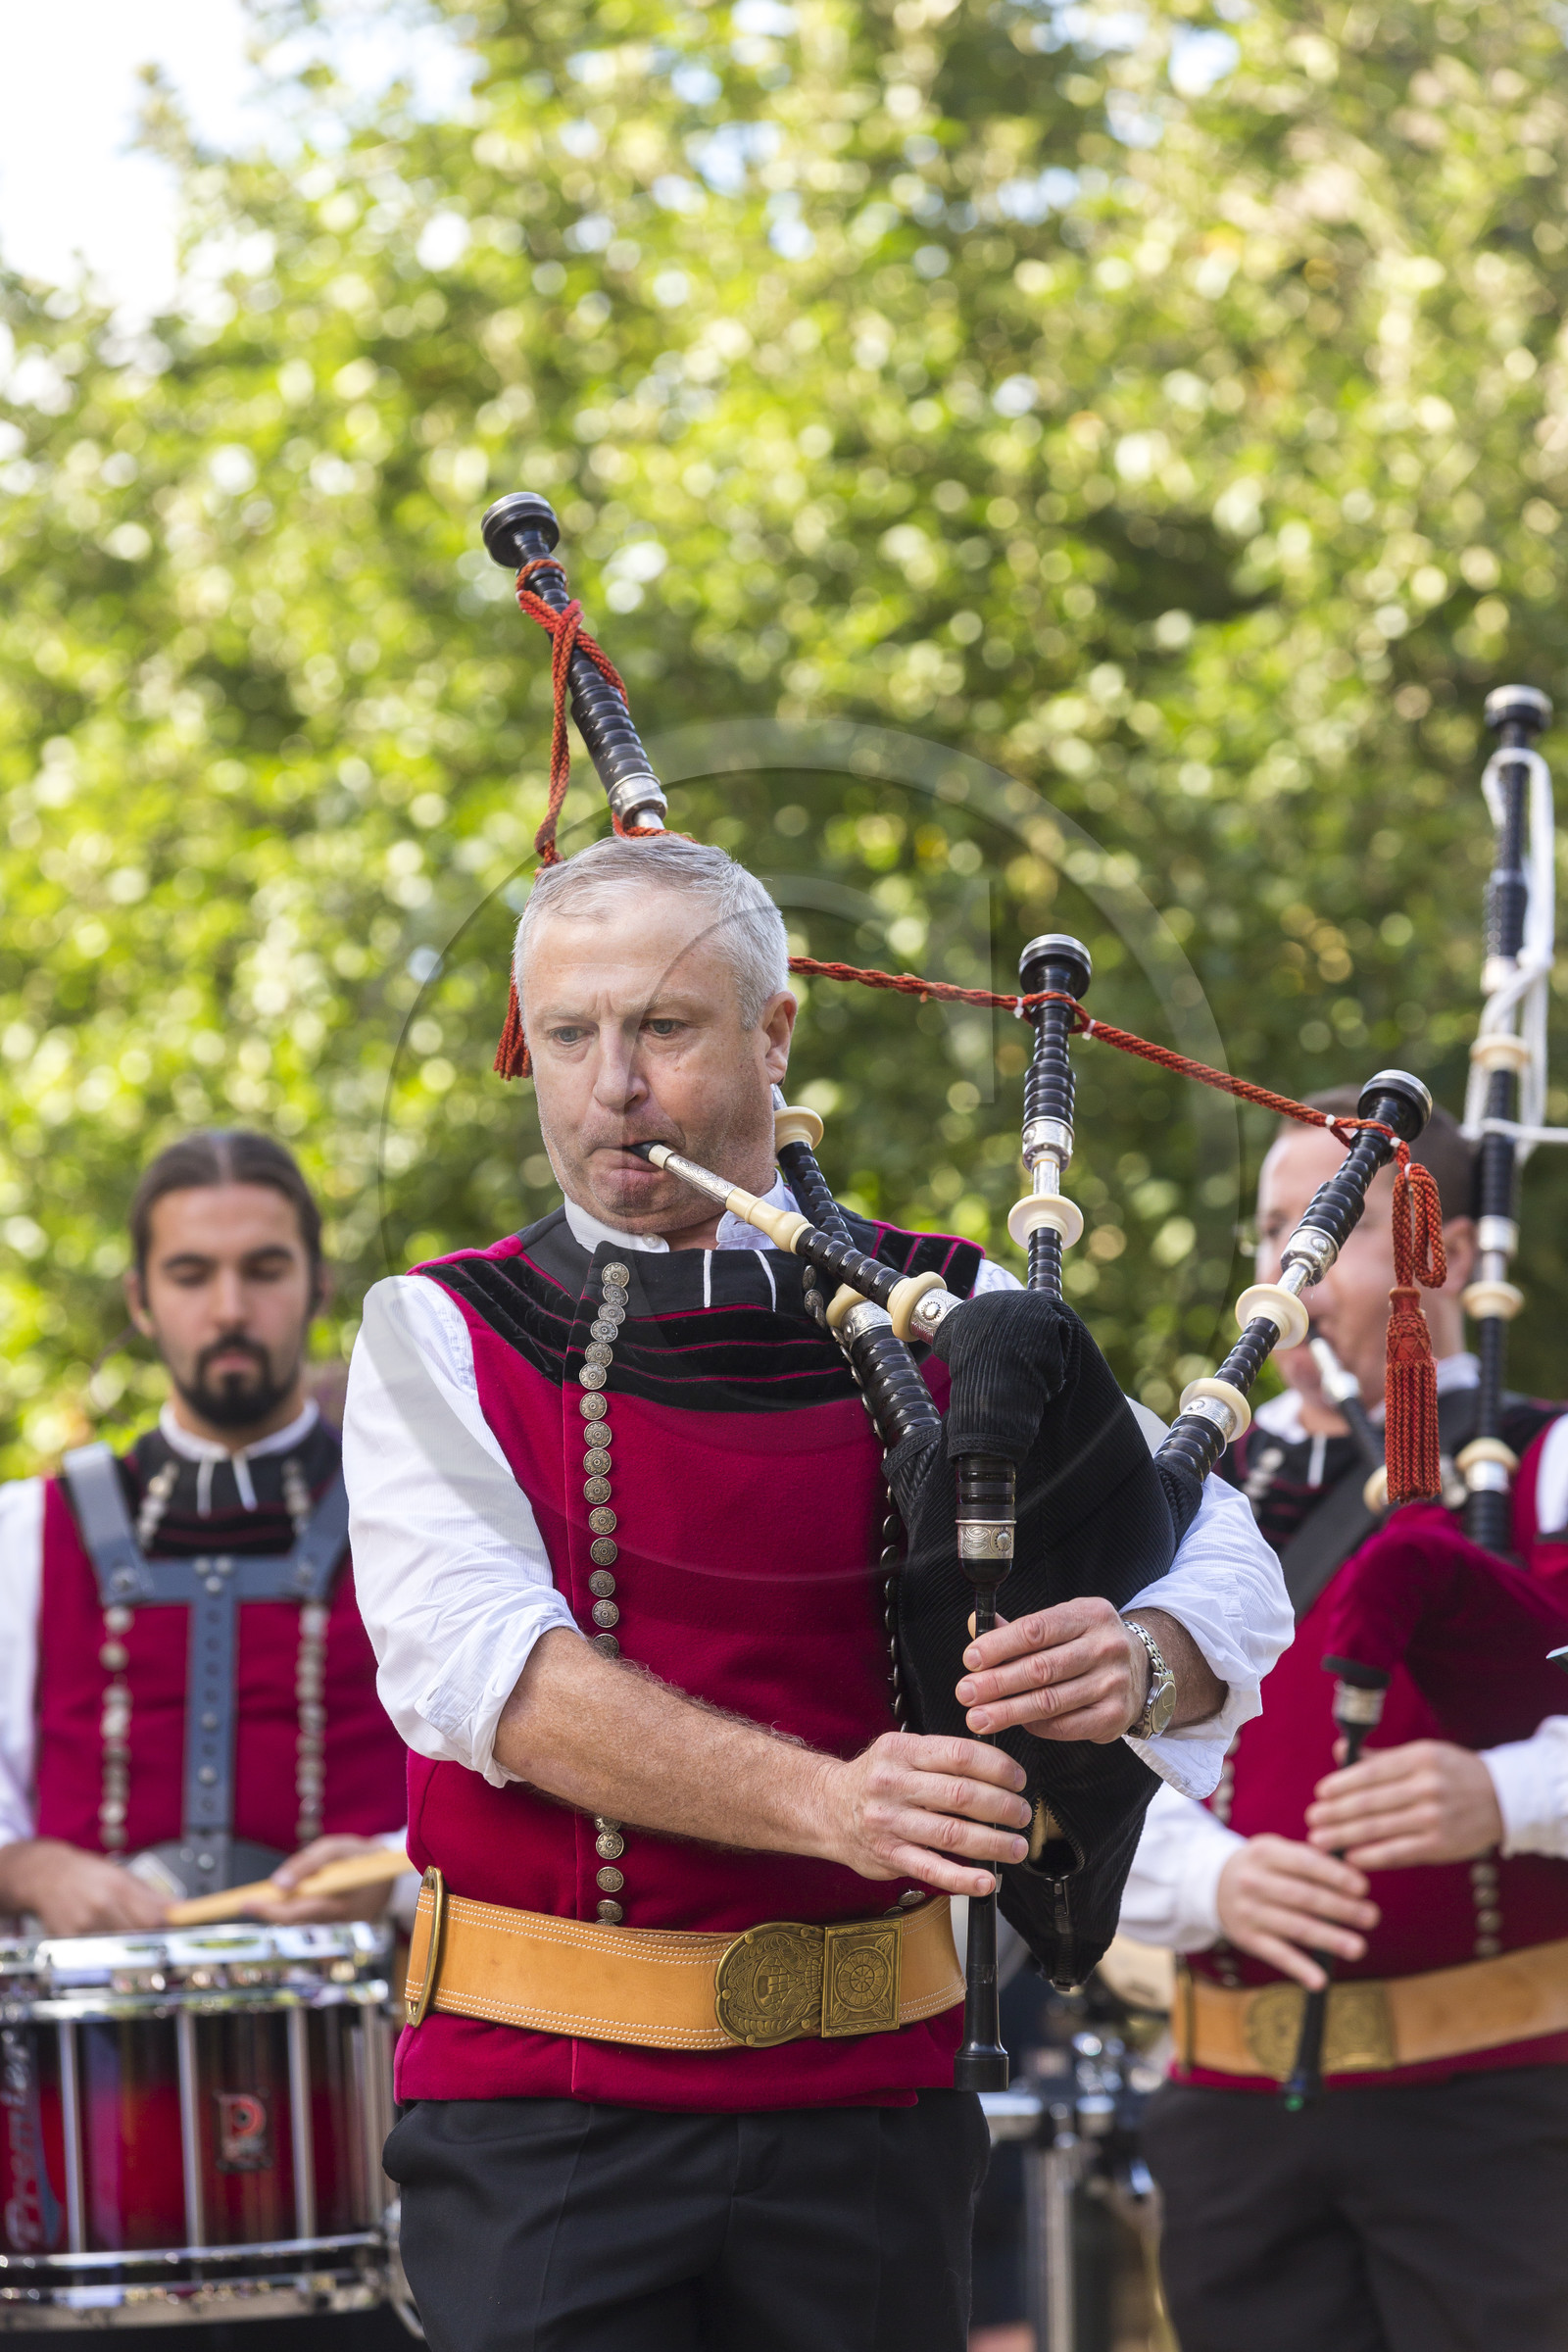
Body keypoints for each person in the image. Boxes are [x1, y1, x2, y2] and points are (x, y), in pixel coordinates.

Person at [344, 832, 1290, 2352]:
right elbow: (488, 1676)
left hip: (873, 2108)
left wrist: (1142, 1656)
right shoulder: (434, 1331)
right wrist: (833, 1807)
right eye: (570, 1037)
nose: (612, 1090)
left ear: (775, 1031)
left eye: (661, 1027)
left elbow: (1210, 1542)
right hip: (544, 2113)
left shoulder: (960, 1304)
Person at [1121, 1091, 1568, 2352]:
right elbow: (1084, 1765)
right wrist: (1214, 1877)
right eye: (1272, 1230)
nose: (1291, 1266)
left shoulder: (1544, 1470)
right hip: (1231, 2123)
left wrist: (1503, 1797)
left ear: (1458, 1257)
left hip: (1500, 2121)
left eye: (1334, 1225)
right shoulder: (1189, 1504)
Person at [0, 1131, 410, 1936]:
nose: (229, 1309)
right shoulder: (27, 1531)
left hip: (364, 2041)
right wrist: (28, 1868)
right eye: (191, 1275)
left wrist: (394, 1874)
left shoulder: (410, 1513)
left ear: (317, 1288)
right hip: (98, 2052)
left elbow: (498, 1796)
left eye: (263, 1270)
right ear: (142, 1300)